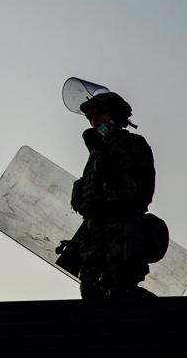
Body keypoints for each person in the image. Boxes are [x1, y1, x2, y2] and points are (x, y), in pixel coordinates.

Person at [59, 90, 168, 298]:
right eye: (91, 117)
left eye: (98, 114)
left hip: (122, 235)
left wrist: (109, 172)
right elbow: (90, 199)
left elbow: (139, 192)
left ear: (115, 116)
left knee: (120, 291)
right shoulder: (96, 152)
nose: (94, 121)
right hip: (93, 238)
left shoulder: (133, 144)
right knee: (91, 292)